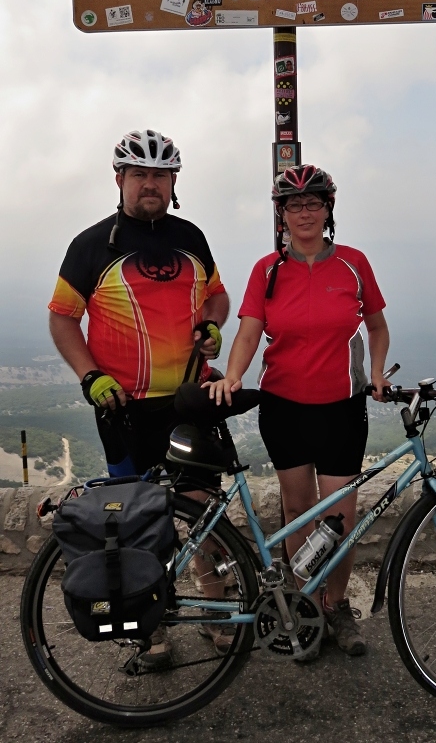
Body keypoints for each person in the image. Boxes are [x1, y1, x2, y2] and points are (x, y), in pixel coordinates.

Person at [48, 128, 230, 662]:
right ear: (120, 179)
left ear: (174, 182)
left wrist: (213, 326)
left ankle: (216, 615)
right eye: (140, 174)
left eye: (161, 175)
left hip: (190, 401)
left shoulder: (191, 237)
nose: (150, 184)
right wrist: (90, 377)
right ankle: (149, 629)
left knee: (203, 511)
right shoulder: (91, 245)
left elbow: (216, 296)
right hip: (122, 407)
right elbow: (62, 320)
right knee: (132, 525)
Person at [204, 164, 390, 659]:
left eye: (313, 203)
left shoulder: (353, 263)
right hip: (283, 407)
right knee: (296, 511)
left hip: (342, 408)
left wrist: (375, 373)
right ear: (281, 214)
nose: (304, 212)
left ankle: (336, 604)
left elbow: (376, 326)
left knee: (339, 517)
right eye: (293, 205)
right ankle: (303, 604)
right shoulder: (268, 270)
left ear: (328, 209)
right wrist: (233, 375)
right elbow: (247, 331)